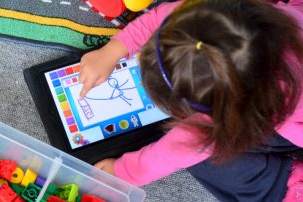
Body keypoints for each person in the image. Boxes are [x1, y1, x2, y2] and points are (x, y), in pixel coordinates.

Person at [79, 0, 303, 201]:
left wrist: (120, 173)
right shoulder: (224, 20)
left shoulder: (230, 116)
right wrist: (114, 49)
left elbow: (177, 149)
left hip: (292, 122)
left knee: (207, 159)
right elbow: (168, 17)